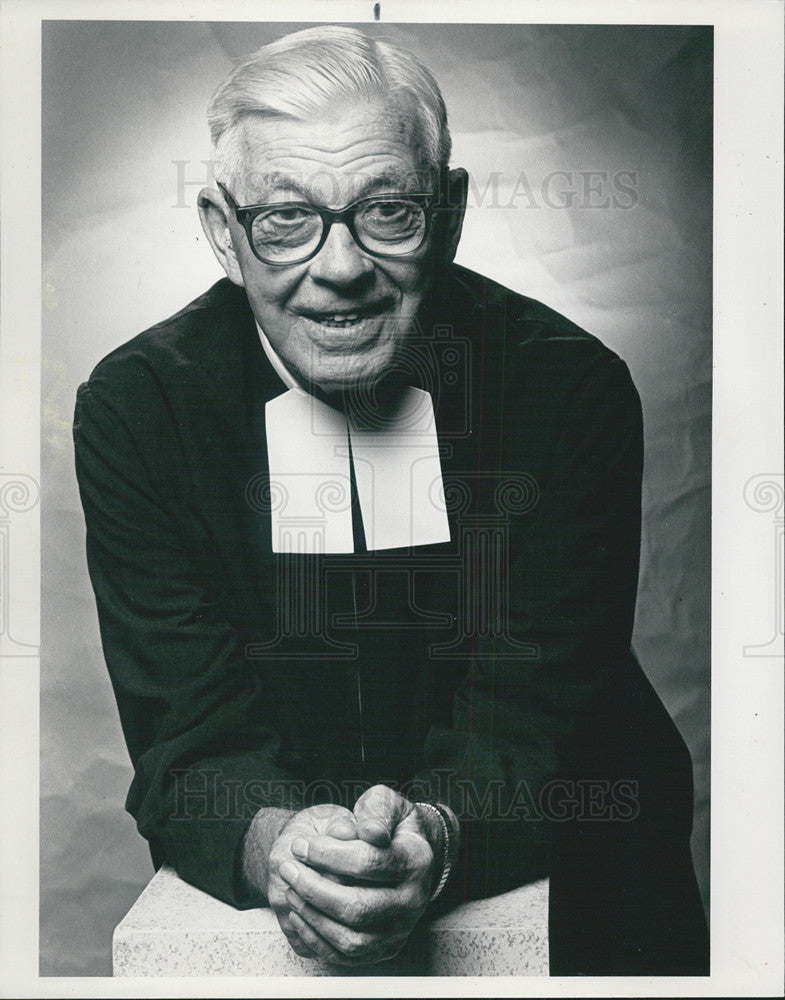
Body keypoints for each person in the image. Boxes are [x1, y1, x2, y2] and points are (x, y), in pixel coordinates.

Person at [73, 25, 709, 974]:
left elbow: (535, 706)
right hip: (291, 848)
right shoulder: (139, 409)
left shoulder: (566, 387)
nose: (340, 268)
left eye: (388, 212)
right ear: (220, 229)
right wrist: (276, 846)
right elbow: (187, 729)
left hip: (570, 856)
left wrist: (439, 837)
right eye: (284, 219)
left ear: (448, 212)